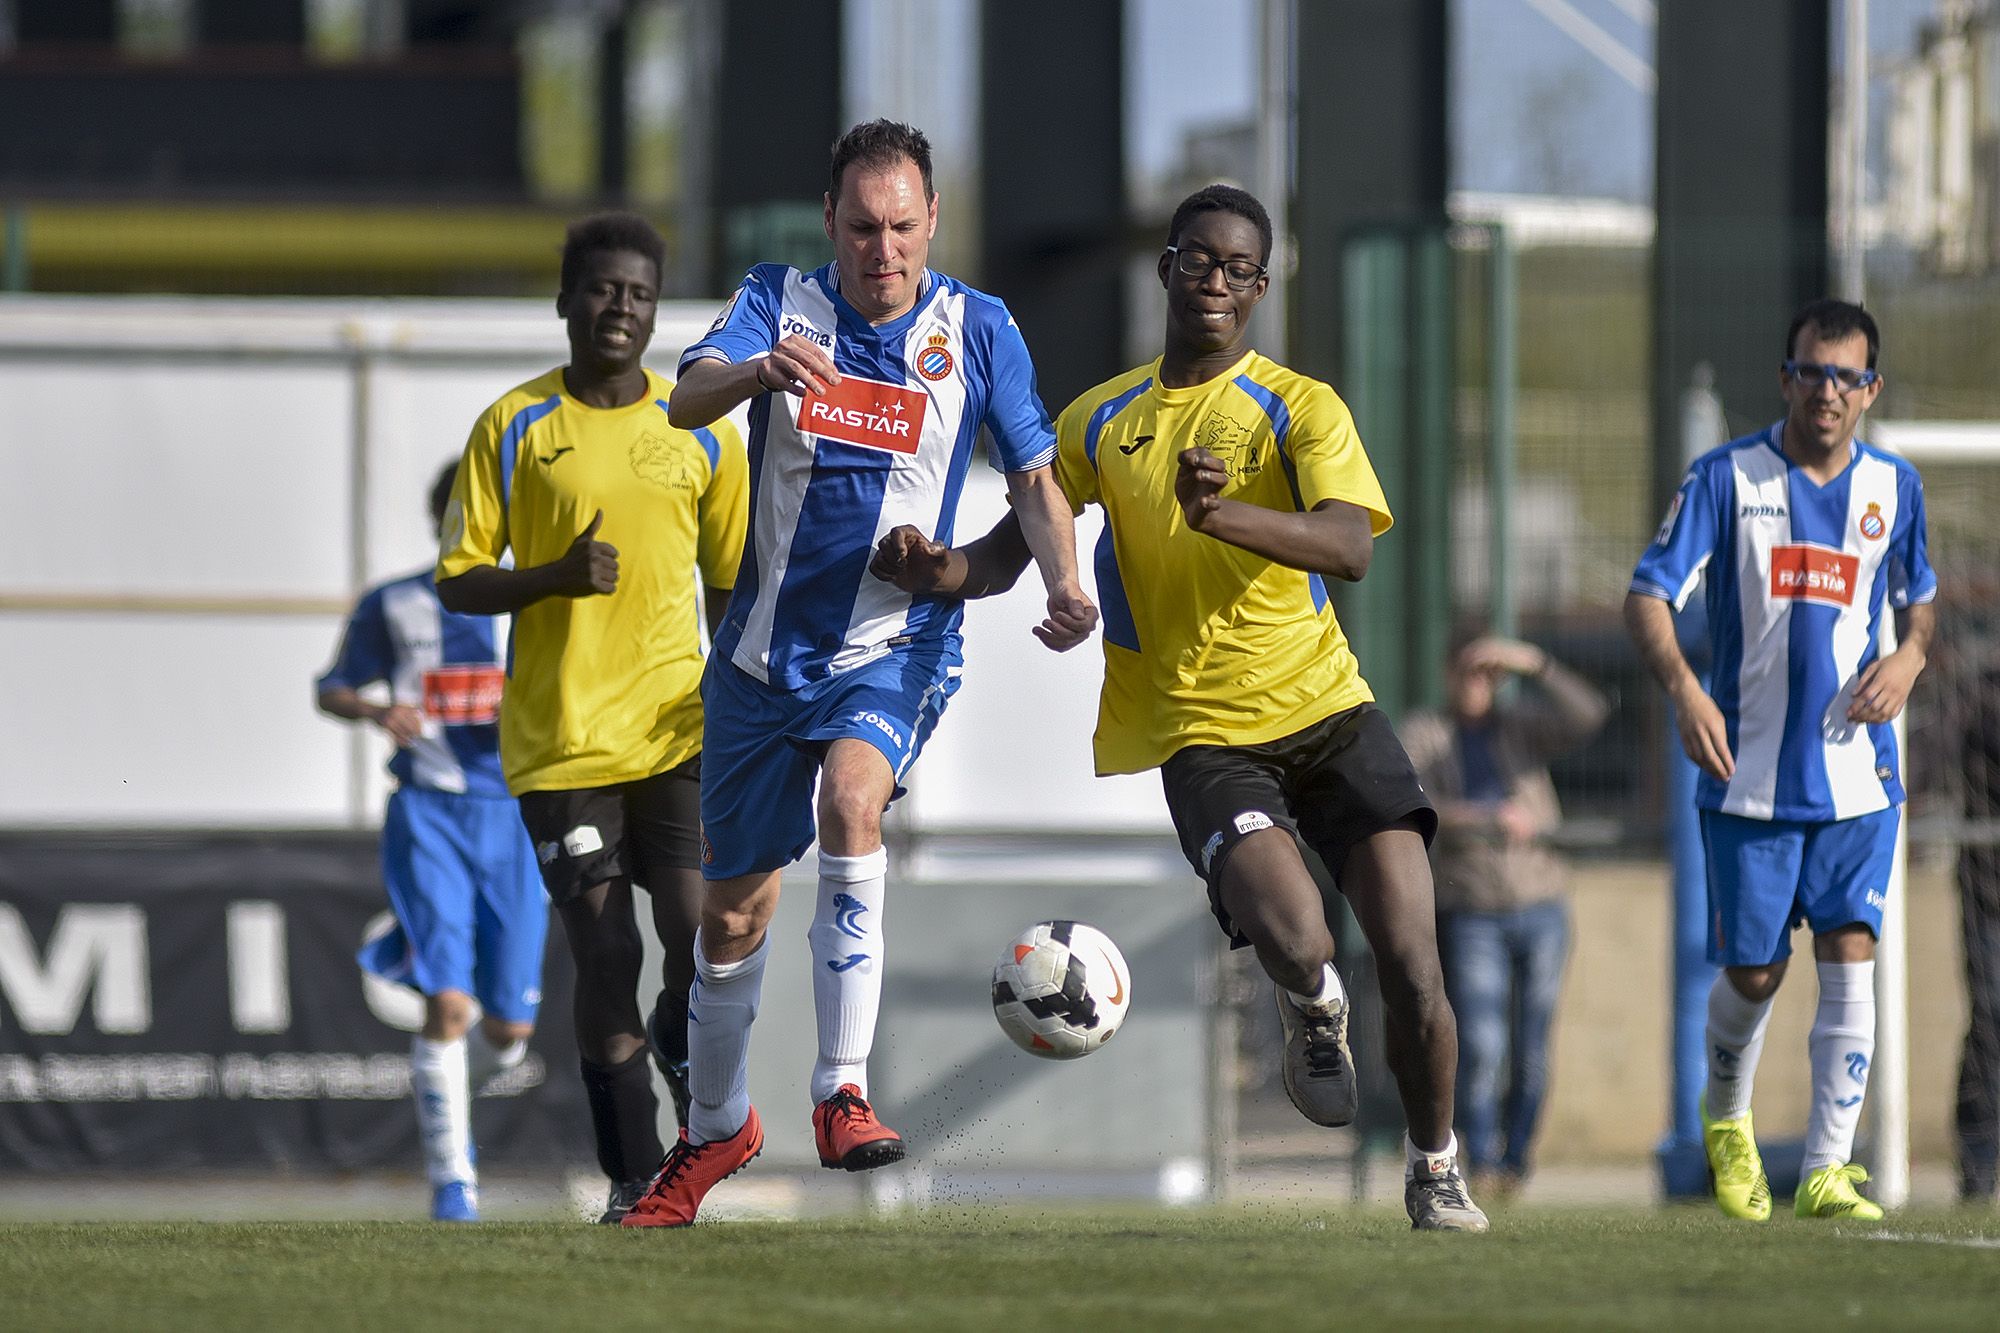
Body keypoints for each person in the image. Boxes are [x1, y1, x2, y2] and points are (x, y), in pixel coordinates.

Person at [871, 183, 1488, 1232]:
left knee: (1415, 964)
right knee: (1298, 941)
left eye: (1237, 270)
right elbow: (1009, 552)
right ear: (1163, 269)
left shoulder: (1299, 405)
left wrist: (1226, 514)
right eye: (1197, 260)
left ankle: (1434, 1167)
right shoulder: (1099, 420)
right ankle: (1310, 1007)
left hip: (1331, 713)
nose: (1214, 282)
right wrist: (939, 569)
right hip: (1200, 736)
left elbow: (1349, 547)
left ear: (1258, 289)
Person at [619, 119, 1096, 1228]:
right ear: (828, 223)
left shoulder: (978, 329)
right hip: (754, 662)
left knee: (850, 799)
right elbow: (681, 400)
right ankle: (716, 1129)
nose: (882, 249)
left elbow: (1031, 475)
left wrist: (1063, 580)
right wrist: (751, 372)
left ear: (932, 220)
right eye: (860, 227)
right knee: (728, 921)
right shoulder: (776, 299)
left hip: (891, 647)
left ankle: (840, 1087)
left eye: (900, 227)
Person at [435, 212, 749, 1223]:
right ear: (565, 300)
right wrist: (551, 577)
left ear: (658, 311)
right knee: (605, 952)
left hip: (676, 730)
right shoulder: (513, 425)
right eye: (604, 289)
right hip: (560, 742)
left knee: (698, 934)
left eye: (640, 294)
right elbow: (459, 579)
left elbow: (735, 588)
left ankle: (677, 1039)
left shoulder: (696, 422)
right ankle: (631, 1174)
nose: (621, 308)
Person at [1626, 298, 1935, 1222]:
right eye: (1811, 372)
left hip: (1859, 778)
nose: (1827, 392)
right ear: (1785, 378)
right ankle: (1726, 1122)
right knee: (1757, 971)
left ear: (1870, 388)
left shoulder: (1895, 487)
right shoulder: (1725, 477)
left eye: (1846, 376)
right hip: (1748, 777)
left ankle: (1830, 1169)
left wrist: (1911, 658)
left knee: (1851, 950)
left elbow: (1918, 600)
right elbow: (1648, 594)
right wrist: (1686, 689)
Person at [316, 461, 547, 1223]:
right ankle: (454, 1184)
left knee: (508, 1031)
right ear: (439, 518)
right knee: (447, 1004)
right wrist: (376, 708)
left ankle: (443, 1093)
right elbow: (333, 685)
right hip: (430, 813)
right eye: (460, 510)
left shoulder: (536, 603)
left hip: (515, 817)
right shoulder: (397, 602)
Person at [1402, 635, 1609, 1200]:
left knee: (1533, 1047)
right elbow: (1414, 801)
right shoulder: (1427, 732)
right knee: (1483, 1044)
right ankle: (1483, 1159)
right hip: (1473, 909)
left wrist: (1535, 662)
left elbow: (1590, 713)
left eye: (1486, 674)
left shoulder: (1520, 727)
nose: (1477, 685)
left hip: (1542, 903)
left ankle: (1516, 1163)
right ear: (1448, 674)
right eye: (1467, 673)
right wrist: (1486, 817)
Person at [1955, 666, 2000, 1203]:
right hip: (1990, 895)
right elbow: (1928, 752)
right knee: (1990, 1022)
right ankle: (1979, 1168)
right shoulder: (1982, 694)